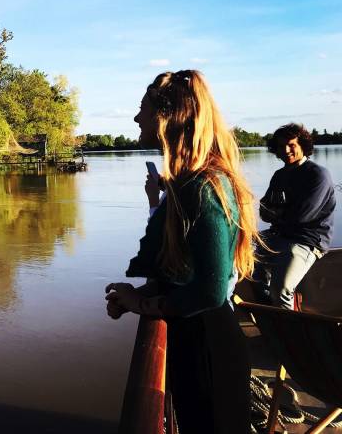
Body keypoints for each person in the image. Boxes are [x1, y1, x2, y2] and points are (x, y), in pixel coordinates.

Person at [105, 70, 256, 434]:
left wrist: (139, 304)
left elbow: (210, 288)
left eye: (142, 109)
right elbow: (185, 272)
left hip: (207, 349)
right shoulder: (195, 180)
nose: (137, 118)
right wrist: (136, 296)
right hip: (201, 339)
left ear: (166, 117)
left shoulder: (201, 185)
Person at [253, 123, 336, 309]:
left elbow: (302, 216)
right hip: (279, 235)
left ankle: (290, 332)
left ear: (302, 146)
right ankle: (271, 313)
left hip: (307, 240)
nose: (286, 150)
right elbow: (264, 212)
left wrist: (277, 212)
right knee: (246, 261)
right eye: (281, 146)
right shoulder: (279, 175)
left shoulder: (318, 174)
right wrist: (280, 213)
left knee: (281, 288)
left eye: (291, 145)